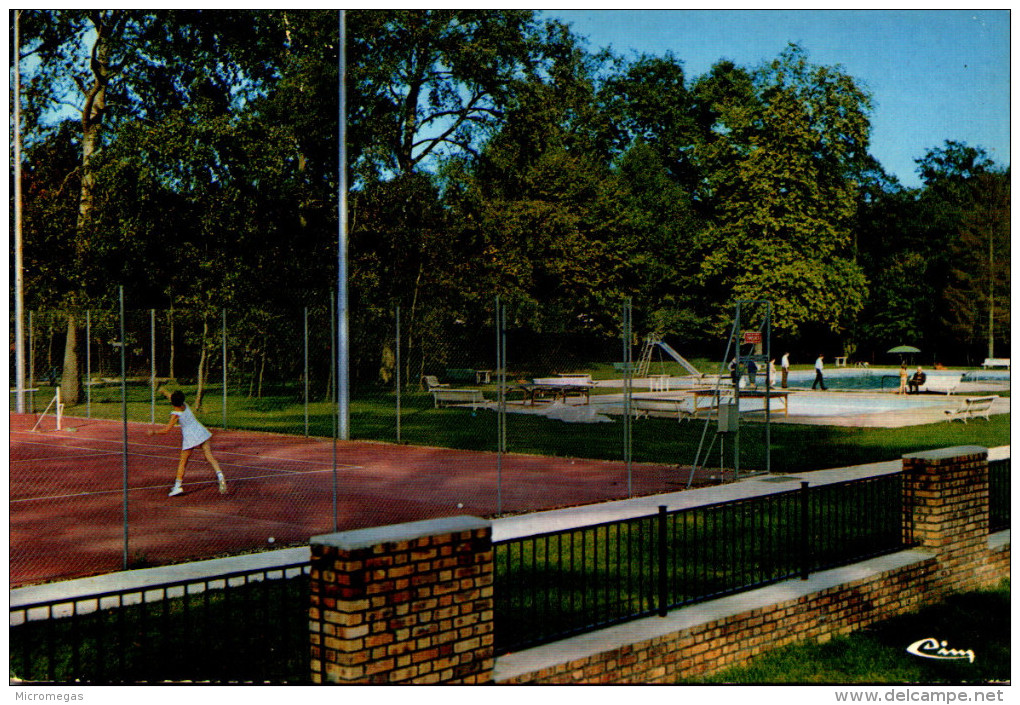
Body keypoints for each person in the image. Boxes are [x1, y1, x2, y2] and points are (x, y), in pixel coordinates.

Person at [148, 389, 228, 497]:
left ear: (172, 402)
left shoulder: (175, 414)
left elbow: (167, 430)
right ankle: (220, 476)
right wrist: (164, 391)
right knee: (209, 456)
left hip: (190, 437)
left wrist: (154, 432)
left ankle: (178, 486)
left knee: (183, 462)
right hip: (201, 431)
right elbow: (172, 396)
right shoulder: (184, 405)